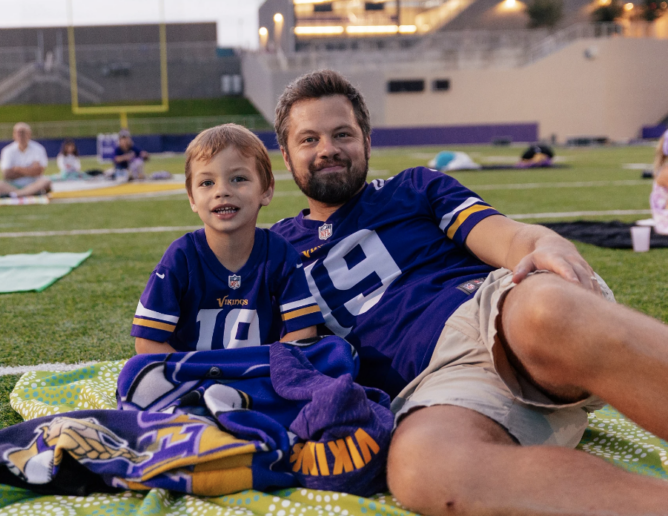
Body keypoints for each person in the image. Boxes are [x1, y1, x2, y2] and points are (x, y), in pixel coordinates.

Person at [270, 70, 668, 515]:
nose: (328, 149)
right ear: (285, 156)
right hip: (437, 385)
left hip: (492, 310)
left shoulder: (414, 188)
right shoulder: (273, 252)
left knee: (547, 308)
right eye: (309, 140)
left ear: (366, 140)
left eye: (342, 133)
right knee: (422, 467)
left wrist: (544, 243)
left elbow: (508, 239)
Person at [131, 124, 324, 355]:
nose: (221, 191)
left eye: (238, 178)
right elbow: (146, 343)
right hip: (194, 379)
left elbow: (304, 331)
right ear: (192, 197)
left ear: (267, 190)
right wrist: (200, 374)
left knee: (335, 351)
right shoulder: (180, 257)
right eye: (207, 183)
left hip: (259, 374)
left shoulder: (279, 254)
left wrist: (259, 369)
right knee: (135, 375)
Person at [0, 122, 51, 198]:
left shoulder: (38, 149)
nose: (21, 135)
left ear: (29, 134)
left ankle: (16, 194)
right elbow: (6, 174)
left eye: (23, 132)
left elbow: (39, 171)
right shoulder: (7, 150)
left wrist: (18, 169)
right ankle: (29, 193)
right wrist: (30, 170)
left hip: (33, 183)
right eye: (18, 132)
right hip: (13, 184)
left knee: (46, 181)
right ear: (14, 134)